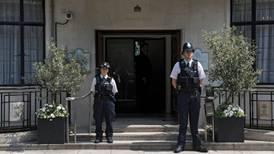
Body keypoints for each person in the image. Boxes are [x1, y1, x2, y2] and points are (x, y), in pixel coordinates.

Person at [170, 42, 208, 153]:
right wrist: (179, 90)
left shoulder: (197, 64)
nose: (189, 53)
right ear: (183, 53)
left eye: (191, 51)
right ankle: (180, 145)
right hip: (183, 96)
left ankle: (197, 145)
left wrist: (197, 90)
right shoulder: (178, 65)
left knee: (194, 121)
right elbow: (173, 80)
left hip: (194, 96)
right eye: (187, 51)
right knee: (183, 122)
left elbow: (201, 79)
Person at [91, 62, 118, 143]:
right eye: (103, 69)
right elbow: (92, 91)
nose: (104, 70)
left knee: (109, 119)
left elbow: (114, 91)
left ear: (108, 70)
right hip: (99, 101)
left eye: (106, 69)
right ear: (100, 70)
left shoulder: (111, 80)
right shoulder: (96, 79)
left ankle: (109, 136)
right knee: (98, 119)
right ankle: (98, 136)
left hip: (108, 102)